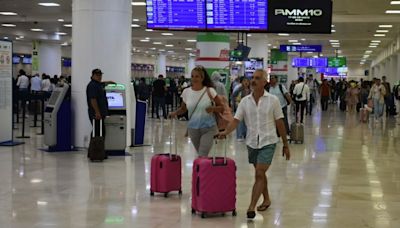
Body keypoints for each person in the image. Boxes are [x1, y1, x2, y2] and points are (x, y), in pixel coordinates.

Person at [216, 69, 290, 220]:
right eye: (252, 78)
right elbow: (236, 121)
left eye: (257, 78)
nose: (253, 81)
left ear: (264, 82)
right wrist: (225, 132)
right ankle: (267, 198)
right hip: (251, 142)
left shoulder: (273, 100)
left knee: (259, 173)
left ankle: (251, 207)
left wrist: (285, 144)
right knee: (260, 174)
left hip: (268, 141)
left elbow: (279, 122)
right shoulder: (245, 101)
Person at [169, 66, 223, 157]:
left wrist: (213, 109)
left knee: (202, 154)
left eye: (197, 76)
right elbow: (183, 109)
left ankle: (200, 170)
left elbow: (222, 107)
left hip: (208, 128)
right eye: (192, 76)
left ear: (202, 78)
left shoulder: (210, 91)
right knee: (201, 155)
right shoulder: (186, 92)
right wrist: (174, 113)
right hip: (193, 129)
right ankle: (204, 170)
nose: (194, 78)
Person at [86, 69, 115, 152]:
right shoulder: (92, 85)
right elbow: (93, 100)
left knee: (97, 132)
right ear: (93, 75)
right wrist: (97, 112)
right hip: (96, 114)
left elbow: (102, 83)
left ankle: (93, 152)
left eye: (100, 75)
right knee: (98, 133)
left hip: (100, 113)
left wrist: (109, 82)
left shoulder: (97, 84)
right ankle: (96, 152)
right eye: (98, 75)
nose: (100, 77)